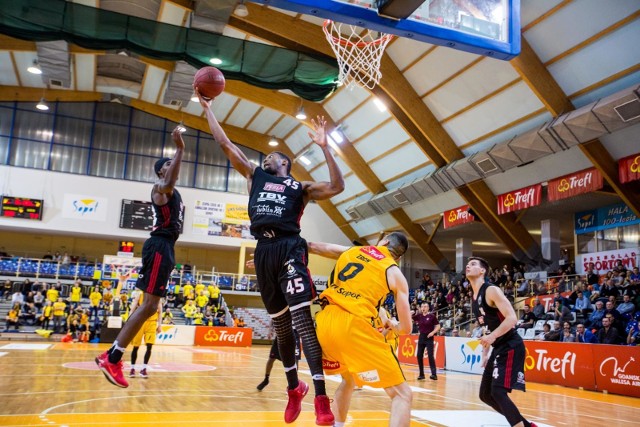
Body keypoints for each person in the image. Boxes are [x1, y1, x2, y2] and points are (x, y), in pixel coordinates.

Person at [197, 90, 344, 425]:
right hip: (263, 251)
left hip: (291, 248)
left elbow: (338, 186)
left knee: (304, 322)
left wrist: (325, 147)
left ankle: (321, 398)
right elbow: (226, 146)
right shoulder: (255, 177)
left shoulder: (300, 188)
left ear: (286, 165)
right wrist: (208, 110)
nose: (267, 159)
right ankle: (294, 389)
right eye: (265, 158)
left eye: (274, 158)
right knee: (281, 328)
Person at [95, 126, 185, 388]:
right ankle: (114, 357)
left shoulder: (171, 191)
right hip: (159, 246)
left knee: (148, 306)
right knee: (148, 305)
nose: (173, 167)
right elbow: (170, 182)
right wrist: (179, 149)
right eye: (168, 164)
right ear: (160, 171)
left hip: (163, 247)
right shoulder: (160, 187)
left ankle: (111, 354)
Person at [310, 233, 413, 427]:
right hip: (352, 328)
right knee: (403, 394)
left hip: (324, 322)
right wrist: (393, 324)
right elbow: (406, 328)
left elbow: (316, 246)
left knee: (349, 381)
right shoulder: (394, 272)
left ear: (385, 242)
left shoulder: (354, 250)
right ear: (398, 257)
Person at [468, 257, 537, 427]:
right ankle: (526, 425)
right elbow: (486, 328)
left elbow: (512, 318)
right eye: (468, 264)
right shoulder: (474, 298)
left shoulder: (491, 290)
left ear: (483, 271)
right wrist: (485, 353)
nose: (468, 266)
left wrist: (492, 338)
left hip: (511, 345)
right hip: (498, 347)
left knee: (498, 392)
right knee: (485, 394)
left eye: (473, 264)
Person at [257, 326, 302, 391]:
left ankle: (293, 384)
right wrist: (270, 330)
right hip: (281, 332)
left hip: (295, 333)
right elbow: (272, 318)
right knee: (271, 358)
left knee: (295, 360)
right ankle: (266, 379)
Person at [129, 292, 162, 378]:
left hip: (152, 323)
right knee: (136, 346)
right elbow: (132, 309)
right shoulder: (140, 294)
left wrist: (159, 325)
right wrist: (129, 320)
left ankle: (144, 369)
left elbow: (160, 312)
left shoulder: (157, 296)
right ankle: (132, 369)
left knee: (149, 346)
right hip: (140, 322)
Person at [413, 302, 440, 380]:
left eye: (425, 306)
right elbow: (410, 317)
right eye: (422, 306)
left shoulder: (432, 316)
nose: (423, 308)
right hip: (421, 336)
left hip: (429, 337)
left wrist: (432, 333)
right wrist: (411, 312)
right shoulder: (419, 316)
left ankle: (434, 374)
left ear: (428, 308)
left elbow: (438, 326)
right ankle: (421, 374)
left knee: (430, 356)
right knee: (419, 355)